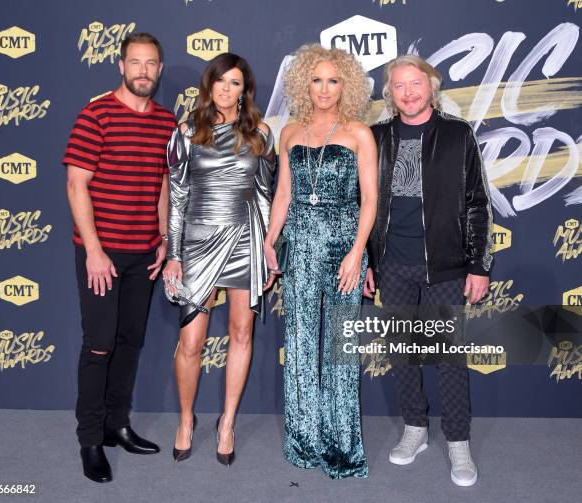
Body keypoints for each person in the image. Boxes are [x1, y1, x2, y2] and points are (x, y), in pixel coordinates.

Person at [364, 54, 493, 487]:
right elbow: (361, 207)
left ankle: (458, 441)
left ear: (431, 87)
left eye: (415, 83)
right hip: (393, 265)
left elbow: (477, 203)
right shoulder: (376, 137)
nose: (409, 92)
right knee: (402, 353)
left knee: (449, 358)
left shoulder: (458, 134)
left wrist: (478, 265)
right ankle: (415, 429)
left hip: (445, 267)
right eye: (399, 85)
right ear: (389, 92)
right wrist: (367, 260)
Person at [63, 33, 176, 483]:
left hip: (144, 253)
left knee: (130, 343)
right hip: (101, 254)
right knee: (99, 345)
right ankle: (90, 439)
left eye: (151, 63)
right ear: (121, 65)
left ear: (160, 70)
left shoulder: (167, 122)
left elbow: (164, 186)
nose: (143, 71)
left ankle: (116, 424)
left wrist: (165, 238)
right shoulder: (96, 115)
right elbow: (77, 185)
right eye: (135, 62)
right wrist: (93, 250)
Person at [264, 44, 378, 479]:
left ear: (345, 85)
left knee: (340, 348)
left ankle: (343, 445)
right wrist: (272, 240)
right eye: (317, 79)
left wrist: (357, 253)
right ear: (303, 84)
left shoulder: (358, 133)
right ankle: (304, 441)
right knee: (300, 344)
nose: (325, 88)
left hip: (345, 245)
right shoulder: (290, 131)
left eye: (333, 80)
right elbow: (284, 194)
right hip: (302, 246)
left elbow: (370, 200)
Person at [162, 53, 275, 466]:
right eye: (221, 82)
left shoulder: (261, 133)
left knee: (242, 334)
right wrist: (173, 255)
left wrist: (266, 247)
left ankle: (227, 422)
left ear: (245, 90)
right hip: (196, 242)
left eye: (236, 84)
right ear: (209, 86)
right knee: (191, 341)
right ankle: (187, 420)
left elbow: (264, 195)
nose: (228, 90)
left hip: (244, 238)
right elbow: (176, 198)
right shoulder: (187, 131)